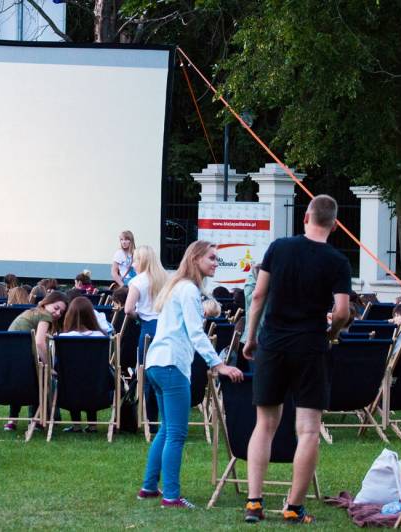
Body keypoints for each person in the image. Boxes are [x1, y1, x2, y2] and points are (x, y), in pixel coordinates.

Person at [242, 194, 351, 524]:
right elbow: (342, 311)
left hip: (273, 343)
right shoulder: (337, 261)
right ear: (334, 225)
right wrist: (331, 334)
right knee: (308, 430)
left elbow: (258, 295)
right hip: (310, 347)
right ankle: (293, 507)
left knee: (264, 425)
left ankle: (254, 503)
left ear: (305, 217)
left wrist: (251, 337)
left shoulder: (279, 248)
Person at [138, 241, 243, 509]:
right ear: (195, 259)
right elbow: (197, 333)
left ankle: (149, 487)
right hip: (171, 365)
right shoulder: (188, 290)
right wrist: (218, 365)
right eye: (212, 258)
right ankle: (171, 496)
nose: (216, 263)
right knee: (176, 433)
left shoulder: (178, 287)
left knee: (166, 429)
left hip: (157, 363)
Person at [5, 291, 69, 431]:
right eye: (56, 308)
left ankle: (12, 421)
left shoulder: (31, 312)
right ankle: (38, 420)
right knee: (43, 377)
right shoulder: (45, 315)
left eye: (61, 312)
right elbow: (39, 343)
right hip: (24, 359)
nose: (58, 313)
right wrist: (48, 365)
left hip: (10, 359)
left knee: (23, 381)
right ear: (46, 303)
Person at [124, 245, 168, 431]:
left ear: (141, 261)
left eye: (135, 260)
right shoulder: (166, 278)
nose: (133, 264)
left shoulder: (137, 281)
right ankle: (165, 418)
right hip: (166, 327)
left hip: (148, 327)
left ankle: (151, 420)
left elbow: (128, 309)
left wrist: (139, 316)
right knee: (165, 370)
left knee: (147, 373)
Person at [59, 297, 107, 433]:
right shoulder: (101, 336)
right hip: (96, 382)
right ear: (91, 315)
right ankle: (92, 425)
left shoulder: (64, 338)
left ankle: (76, 425)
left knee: (72, 381)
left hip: (70, 382)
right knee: (91, 381)